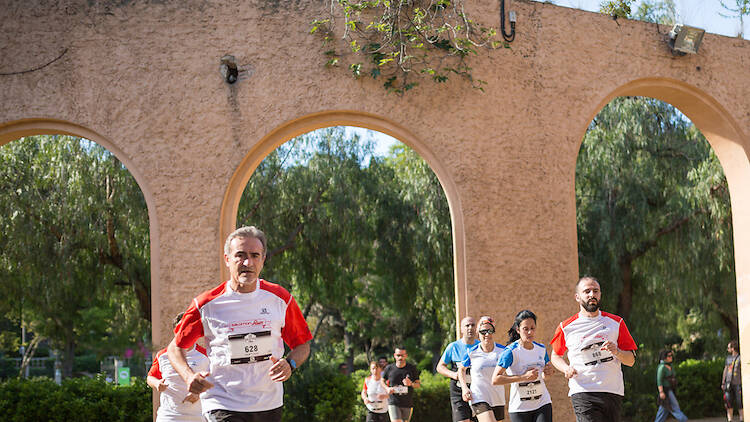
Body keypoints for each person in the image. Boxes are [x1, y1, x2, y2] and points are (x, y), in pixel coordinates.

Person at [167, 226, 313, 422]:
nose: (248, 262)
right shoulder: (206, 304)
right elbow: (175, 348)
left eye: (255, 255)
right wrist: (188, 376)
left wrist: (290, 363)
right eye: (240, 255)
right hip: (223, 402)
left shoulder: (280, 299)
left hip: (268, 403)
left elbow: (302, 344)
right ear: (227, 259)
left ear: (263, 259)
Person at [550, 276, 637, 422]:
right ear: (577, 297)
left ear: (600, 294)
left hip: (612, 390)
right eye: (587, 291)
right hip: (583, 390)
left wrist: (617, 352)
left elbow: (631, 361)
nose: (592, 295)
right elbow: (555, 356)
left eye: (595, 291)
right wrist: (566, 369)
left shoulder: (616, 323)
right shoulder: (566, 327)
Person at [148, 312, 210, 422]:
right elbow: (150, 377)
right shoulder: (163, 355)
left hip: (198, 416)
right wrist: (157, 384)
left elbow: (217, 382)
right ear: (175, 331)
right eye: (181, 328)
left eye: (187, 328)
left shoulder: (206, 355)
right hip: (168, 416)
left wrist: (200, 393)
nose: (184, 332)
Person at [493, 310, 553, 422]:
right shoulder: (511, 352)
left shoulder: (541, 349)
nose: (530, 332)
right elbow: (495, 379)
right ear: (518, 329)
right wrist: (524, 377)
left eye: (532, 328)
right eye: (526, 329)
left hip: (542, 403)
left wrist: (548, 373)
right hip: (520, 408)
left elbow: (546, 377)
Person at [458, 316, 507, 422]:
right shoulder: (471, 352)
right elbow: (461, 369)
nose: (487, 334)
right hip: (478, 397)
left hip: (497, 398)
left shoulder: (503, 351)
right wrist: (464, 388)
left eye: (490, 331)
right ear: (478, 333)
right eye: (483, 331)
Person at [437, 316, 479, 422]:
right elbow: (440, 367)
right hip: (458, 391)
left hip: (478, 390)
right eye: (467, 325)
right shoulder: (453, 347)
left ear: (477, 328)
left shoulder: (481, 346)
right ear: (461, 329)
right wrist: (453, 374)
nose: (470, 328)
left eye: (473, 325)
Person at [383, 346, 421, 422]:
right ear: (394, 355)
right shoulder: (389, 368)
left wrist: (411, 384)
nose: (400, 358)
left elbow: (418, 385)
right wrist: (387, 388)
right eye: (398, 355)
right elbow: (382, 380)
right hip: (393, 401)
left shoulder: (412, 368)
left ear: (406, 356)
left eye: (402, 355)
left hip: (407, 402)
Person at [654, 349, 687, 422]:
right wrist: (661, 392)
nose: (671, 357)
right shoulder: (661, 367)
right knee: (675, 407)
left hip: (671, 389)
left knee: (664, 409)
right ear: (664, 357)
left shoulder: (670, 366)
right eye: (669, 356)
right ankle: (684, 419)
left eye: (671, 355)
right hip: (665, 390)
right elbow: (659, 380)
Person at [723, 340, 743, 422]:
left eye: (729, 347)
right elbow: (725, 370)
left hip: (738, 383)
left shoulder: (740, 357)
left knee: (739, 402)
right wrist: (723, 382)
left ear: (733, 348)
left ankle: (742, 418)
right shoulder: (728, 358)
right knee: (728, 402)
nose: (727, 349)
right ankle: (730, 419)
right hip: (728, 383)